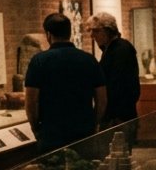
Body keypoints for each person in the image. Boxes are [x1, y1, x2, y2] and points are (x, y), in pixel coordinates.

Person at [25, 11, 106, 154]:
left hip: (51, 132)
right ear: (69, 33)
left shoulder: (39, 61)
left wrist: (36, 129)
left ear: (48, 34)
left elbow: (31, 101)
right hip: (83, 131)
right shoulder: (89, 60)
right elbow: (102, 98)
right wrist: (94, 123)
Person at [84, 11, 140, 141]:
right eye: (90, 31)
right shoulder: (113, 49)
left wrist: (115, 116)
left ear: (108, 30)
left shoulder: (120, 50)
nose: (92, 35)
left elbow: (121, 86)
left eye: (96, 31)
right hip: (116, 115)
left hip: (118, 117)